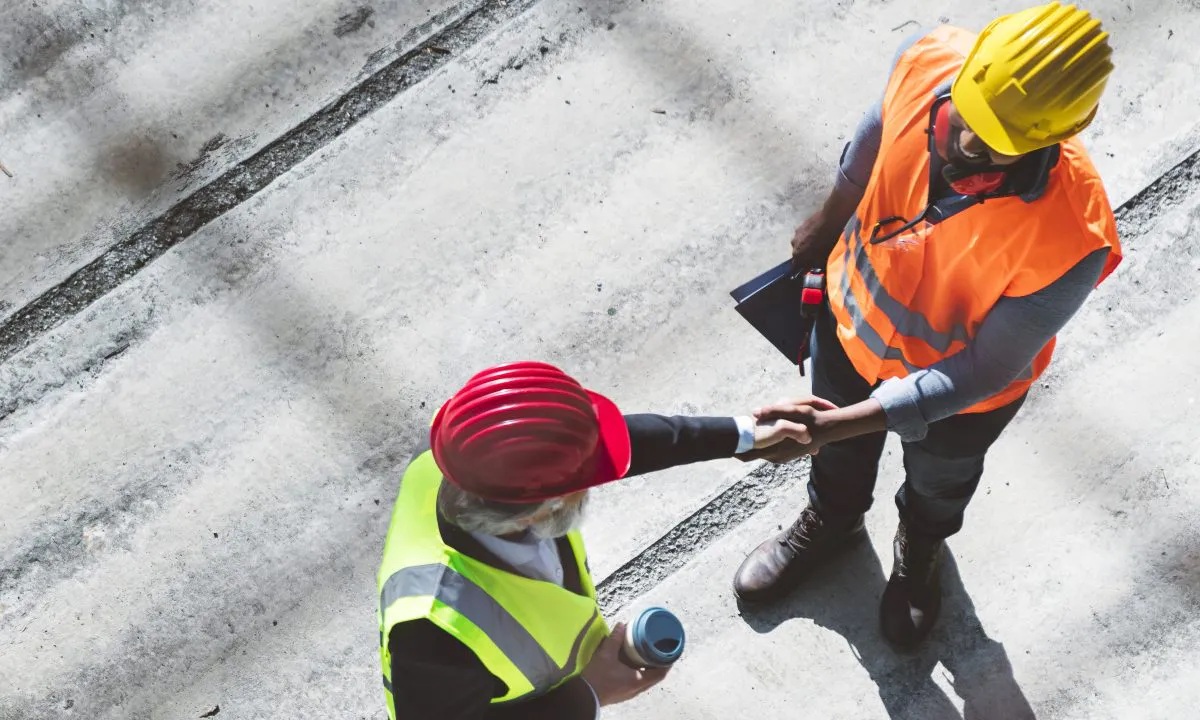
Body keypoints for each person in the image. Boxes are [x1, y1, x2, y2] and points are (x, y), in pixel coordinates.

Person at [732, 2, 1123, 649]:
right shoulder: (927, 59)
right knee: (837, 455)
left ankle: (918, 555)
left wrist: (842, 421)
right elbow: (869, 145)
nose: (956, 141)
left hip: (961, 401)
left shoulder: (1073, 235)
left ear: (1049, 137)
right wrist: (827, 223)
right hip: (850, 321)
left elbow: (982, 370)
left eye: (983, 140)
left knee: (940, 484)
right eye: (960, 113)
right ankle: (832, 520)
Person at [377, 361, 830, 719]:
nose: (600, 472)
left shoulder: (459, 454)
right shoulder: (433, 633)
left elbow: (597, 445)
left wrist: (743, 435)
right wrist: (590, 692)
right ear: (543, 504)